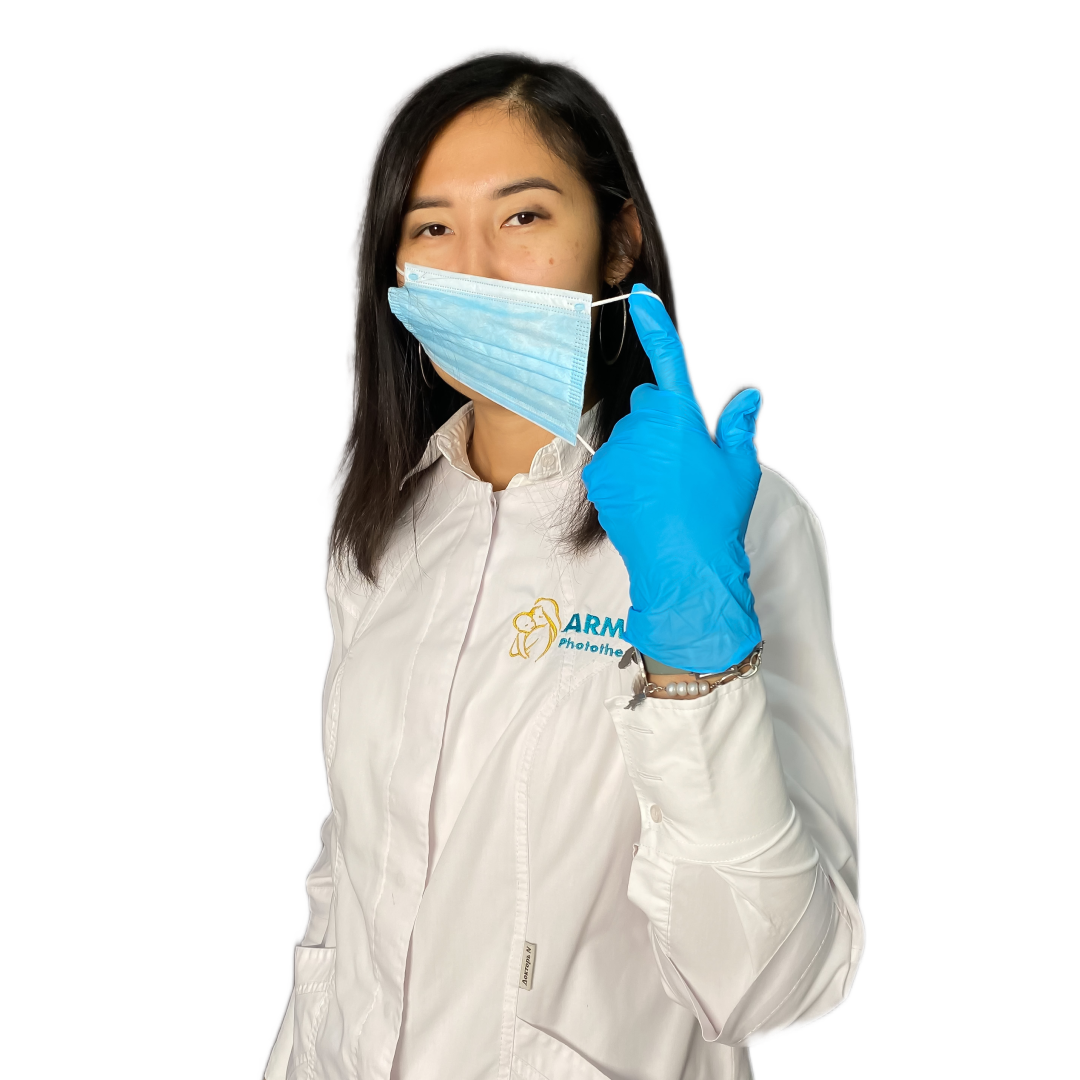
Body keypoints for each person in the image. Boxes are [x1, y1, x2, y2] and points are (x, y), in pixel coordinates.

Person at [263, 45, 863, 1080]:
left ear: (619, 242)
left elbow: (769, 985)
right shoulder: (376, 529)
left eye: (524, 217)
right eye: (431, 228)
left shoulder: (739, 526)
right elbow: (351, 882)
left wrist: (696, 649)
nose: (473, 265)